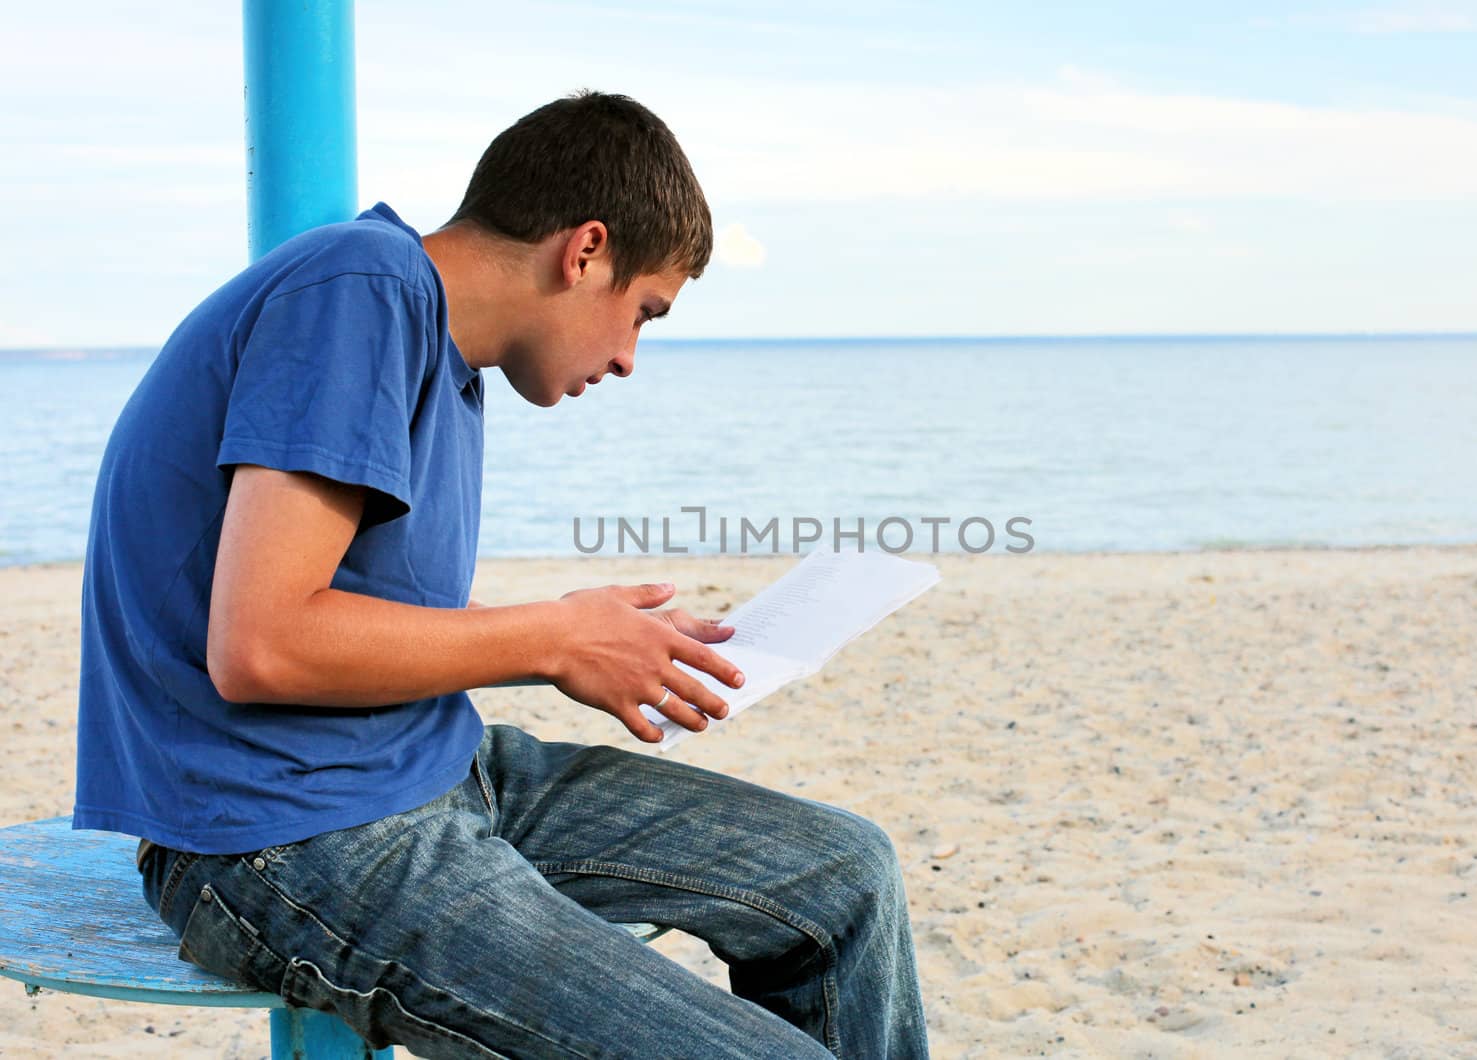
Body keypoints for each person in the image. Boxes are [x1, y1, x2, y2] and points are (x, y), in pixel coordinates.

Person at [73, 90, 930, 1059]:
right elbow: (260, 642)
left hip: (430, 766)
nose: (629, 358)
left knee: (846, 872)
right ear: (584, 251)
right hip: (283, 836)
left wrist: (590, 640)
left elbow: (356, 620)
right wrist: (552, 635)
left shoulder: (436, 349)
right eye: (642, 313)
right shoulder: (363, 289)